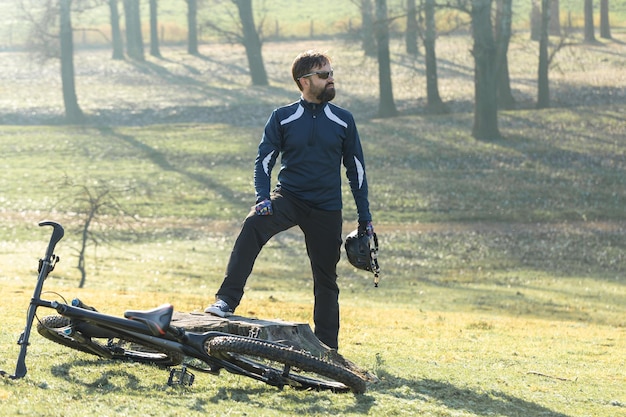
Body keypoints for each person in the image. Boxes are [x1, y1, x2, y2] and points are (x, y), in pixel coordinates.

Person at [205, 50, 374, 350]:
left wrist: (365, 218)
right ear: (305, 81)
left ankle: (326, 348)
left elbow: (356, 170)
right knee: (253, 225)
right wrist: (262, 197)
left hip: (327, 208)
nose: (331, 79)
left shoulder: (343, 120)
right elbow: (264, 161)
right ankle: (225, 301)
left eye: (332, 73)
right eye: (324, 75)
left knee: (326, 279)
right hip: (289, 197)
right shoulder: (282, 117)